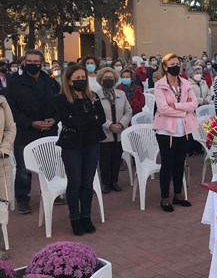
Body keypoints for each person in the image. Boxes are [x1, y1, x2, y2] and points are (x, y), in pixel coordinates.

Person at [54, 64, 106, 236]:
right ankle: (75, 218)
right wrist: (89, 119)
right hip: (72, 146)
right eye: (77, 79)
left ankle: (86, 216)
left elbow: (102, 118)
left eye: (83, 78)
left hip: (91, 143)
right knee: (75, 181)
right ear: (69, 81)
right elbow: (69, 121)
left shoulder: (93, 97)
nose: (81, 81)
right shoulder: (62, 99)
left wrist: (82, 120)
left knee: (87, 181)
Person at [7, 49, 59, 214]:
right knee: (23, 169)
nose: (33, 65)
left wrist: (55, 119)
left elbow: (61, 104)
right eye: (29, 62)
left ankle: (52, 192)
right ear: (24, 62)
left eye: (36, 62)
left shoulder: (51, 83)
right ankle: (23, 198)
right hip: (25, 132)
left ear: (42, 64)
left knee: (50, 165)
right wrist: (31, 123)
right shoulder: (14, 83)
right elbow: (12, 110)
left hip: (48, 130)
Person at [152, 53, 198, 212]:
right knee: (167, 164)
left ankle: (178, 194)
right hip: (166, 131)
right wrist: (185, 110)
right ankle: (164, 198)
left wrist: (177, 107)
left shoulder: (186, 83)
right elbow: (163, 108)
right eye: (172, 65)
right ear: (165, 67)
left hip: (184, 129)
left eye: (177, 64)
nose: (175, 67)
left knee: (180, 163)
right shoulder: (160, 85)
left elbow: (194, 104)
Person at [95, 67, 132, 193]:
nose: (108, 80)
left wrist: (121, 124)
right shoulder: (96, 96)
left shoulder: (121, 94)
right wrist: (110, 125)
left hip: (119, 132)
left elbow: (128, 111)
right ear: (100, 79)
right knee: (104, 160)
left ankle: (114, 181)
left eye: (111, 78)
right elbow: (96, 114)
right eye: (106, 78)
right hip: (105, 133)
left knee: (116, 158)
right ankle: (105, 183)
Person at [0, 94, 15, 259]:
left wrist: (4, 148)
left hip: (0, 160)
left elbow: (10, 128)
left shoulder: (2, 101)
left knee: (0, 206)